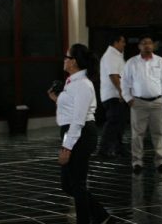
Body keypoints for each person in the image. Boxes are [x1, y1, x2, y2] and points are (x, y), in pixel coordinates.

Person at [48, 43, 110, 224]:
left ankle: (87, 220)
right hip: (72, 131)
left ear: (73, 61)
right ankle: (101, 215)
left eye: (66, 57)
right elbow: (71, 109)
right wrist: (56, 99)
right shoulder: (72, 82)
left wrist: (67, 148)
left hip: (81, 133)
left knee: (77, 184)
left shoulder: (83, 84)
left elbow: (78, 119)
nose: (64, 60)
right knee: (68, 184)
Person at [122, 35, 162, 174]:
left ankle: (161, 161)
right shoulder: (131, 62)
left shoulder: (161, 61)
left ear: (153, 46)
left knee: (158, 133)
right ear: (139, 46)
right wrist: (128, 99)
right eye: (144, 43)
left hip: (157, 103)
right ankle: (137, 162)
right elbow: (124, 82)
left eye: (150, 43)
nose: (147, 45)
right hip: (138, 103)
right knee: (137, 134)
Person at [98, 34, 128, 158]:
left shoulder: (116, 55)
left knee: (119, 123)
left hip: (115, 95)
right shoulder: (111, 55)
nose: (124, 44)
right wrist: (121, 91)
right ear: (116, 43)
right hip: (113, 95)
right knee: (113, 122)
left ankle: (118, 148)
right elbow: (113, 75)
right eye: (122, 42)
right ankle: (104, 149)